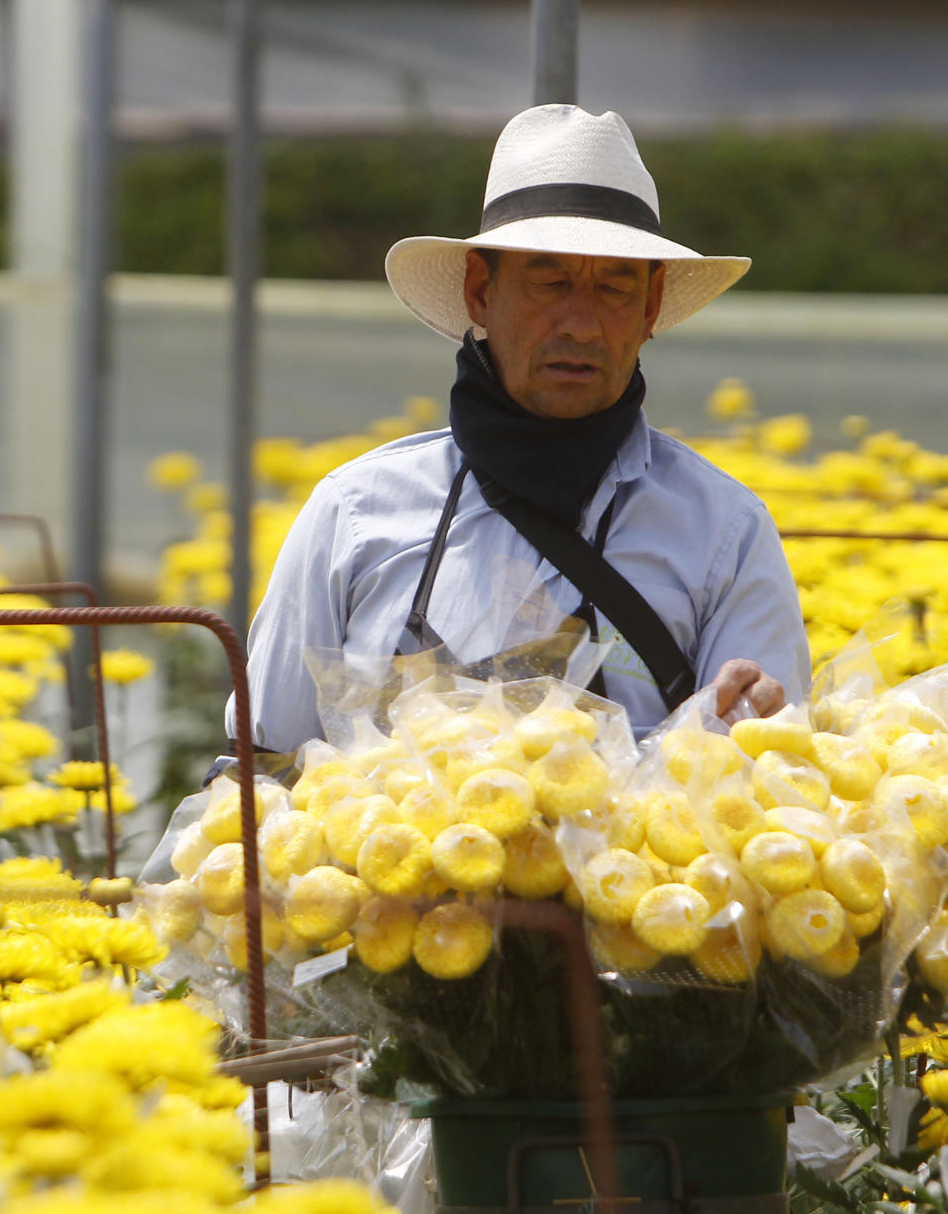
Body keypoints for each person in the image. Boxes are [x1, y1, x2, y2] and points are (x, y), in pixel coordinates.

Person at [234, 103, 809, 757]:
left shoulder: (723, 534)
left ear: (649, 308)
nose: (581, 325)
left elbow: (768, 797)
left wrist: (737, 736)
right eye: (550, 280)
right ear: (481, 292)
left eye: (614, 288)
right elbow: (263, 769)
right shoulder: (357, 515)